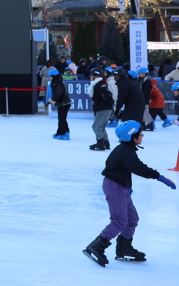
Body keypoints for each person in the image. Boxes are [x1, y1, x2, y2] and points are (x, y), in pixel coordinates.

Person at [83, 120, 177, 266]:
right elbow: (139, 168)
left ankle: (124, 248)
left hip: (121, 187)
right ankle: (96, 246)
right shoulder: (125, 152)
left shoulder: (125, 150)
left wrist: (127, 186)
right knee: (119, 220)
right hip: (114, 187)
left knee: (132, 219)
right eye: (140, 134)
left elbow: (122, 168)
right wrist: (160, 177)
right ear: (133, 137)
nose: (142, 136)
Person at [89, 67, 115, 151]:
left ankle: (100, 144)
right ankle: (106, 143)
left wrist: (106, 106)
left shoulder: (99, 85)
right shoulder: (99, 84)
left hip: (103, 109)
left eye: (91, 75)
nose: (90, 76)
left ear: (96, 76)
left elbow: (107, 97)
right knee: (101, 127)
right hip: (103, 109)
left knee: (96, 127)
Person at [47, 67, 71, 140]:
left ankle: (66, 132)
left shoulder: (58, 83)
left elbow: (58, 93)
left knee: (62, 119)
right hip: (63, 103)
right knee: (61, 119)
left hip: (64, 103)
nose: (50, 78)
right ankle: (59, 133)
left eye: (51, 77)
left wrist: (51, 100)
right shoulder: (58, 82)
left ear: (54, 76)